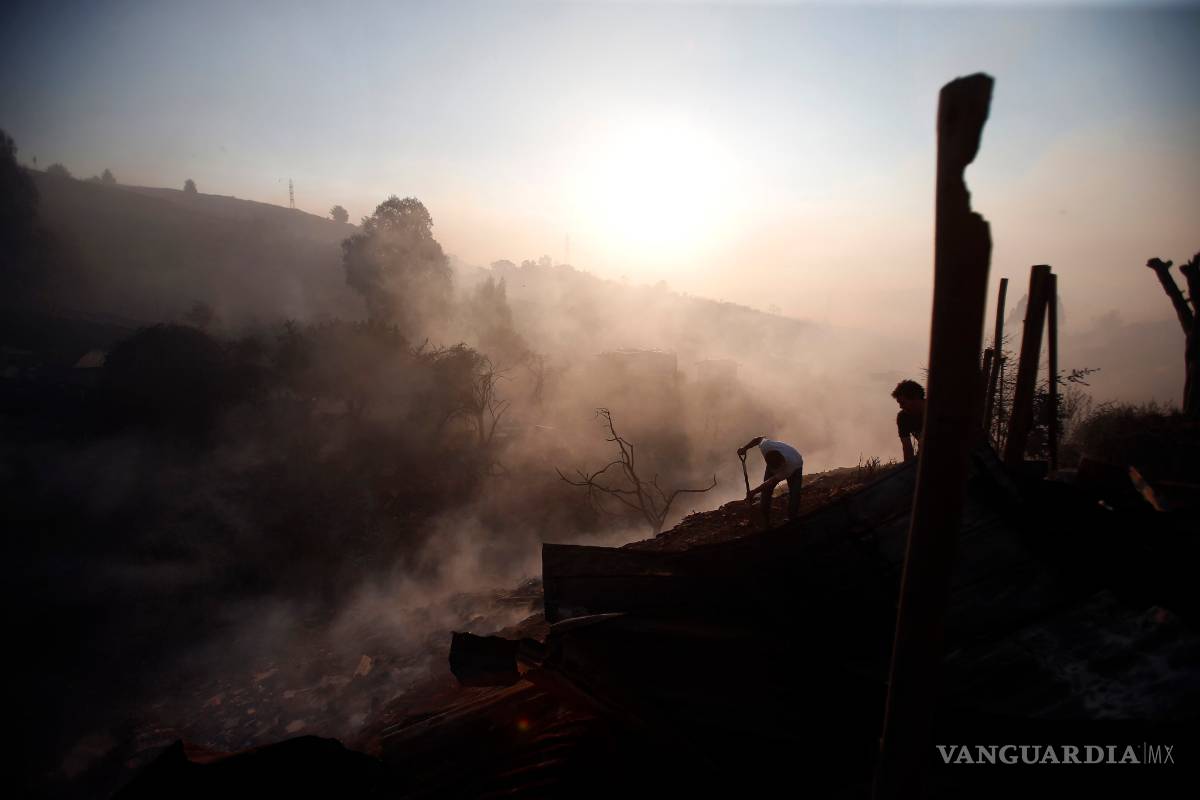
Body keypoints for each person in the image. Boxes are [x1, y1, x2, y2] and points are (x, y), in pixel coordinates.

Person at [736, 436, 804, 528]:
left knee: (795, 493)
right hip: (776, 463)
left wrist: (754, 492)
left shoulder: (789, 467)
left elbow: (770, 482)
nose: (777, 472)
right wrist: (745, 448)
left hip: (796, 468)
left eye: (779, 469)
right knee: (766, 492)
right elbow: (758, 439)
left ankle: (792, 520)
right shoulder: (766, 446)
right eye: (774, 470)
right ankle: (765, 521)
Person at [892, 379, 926, 463]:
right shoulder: (903, 418)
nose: (900, 407)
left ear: (916, 398)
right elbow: (907, 449)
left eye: (903, 403)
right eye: (899, 403)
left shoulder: (938, 408)